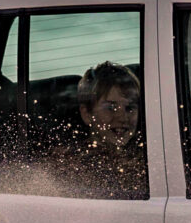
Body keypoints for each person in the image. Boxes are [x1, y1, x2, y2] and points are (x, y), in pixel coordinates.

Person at [50, 61, 147, 198]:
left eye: (130, 108)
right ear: (87, 114)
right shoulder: (69, 163)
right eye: (110, 108)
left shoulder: (144, 158)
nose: (123, 117)